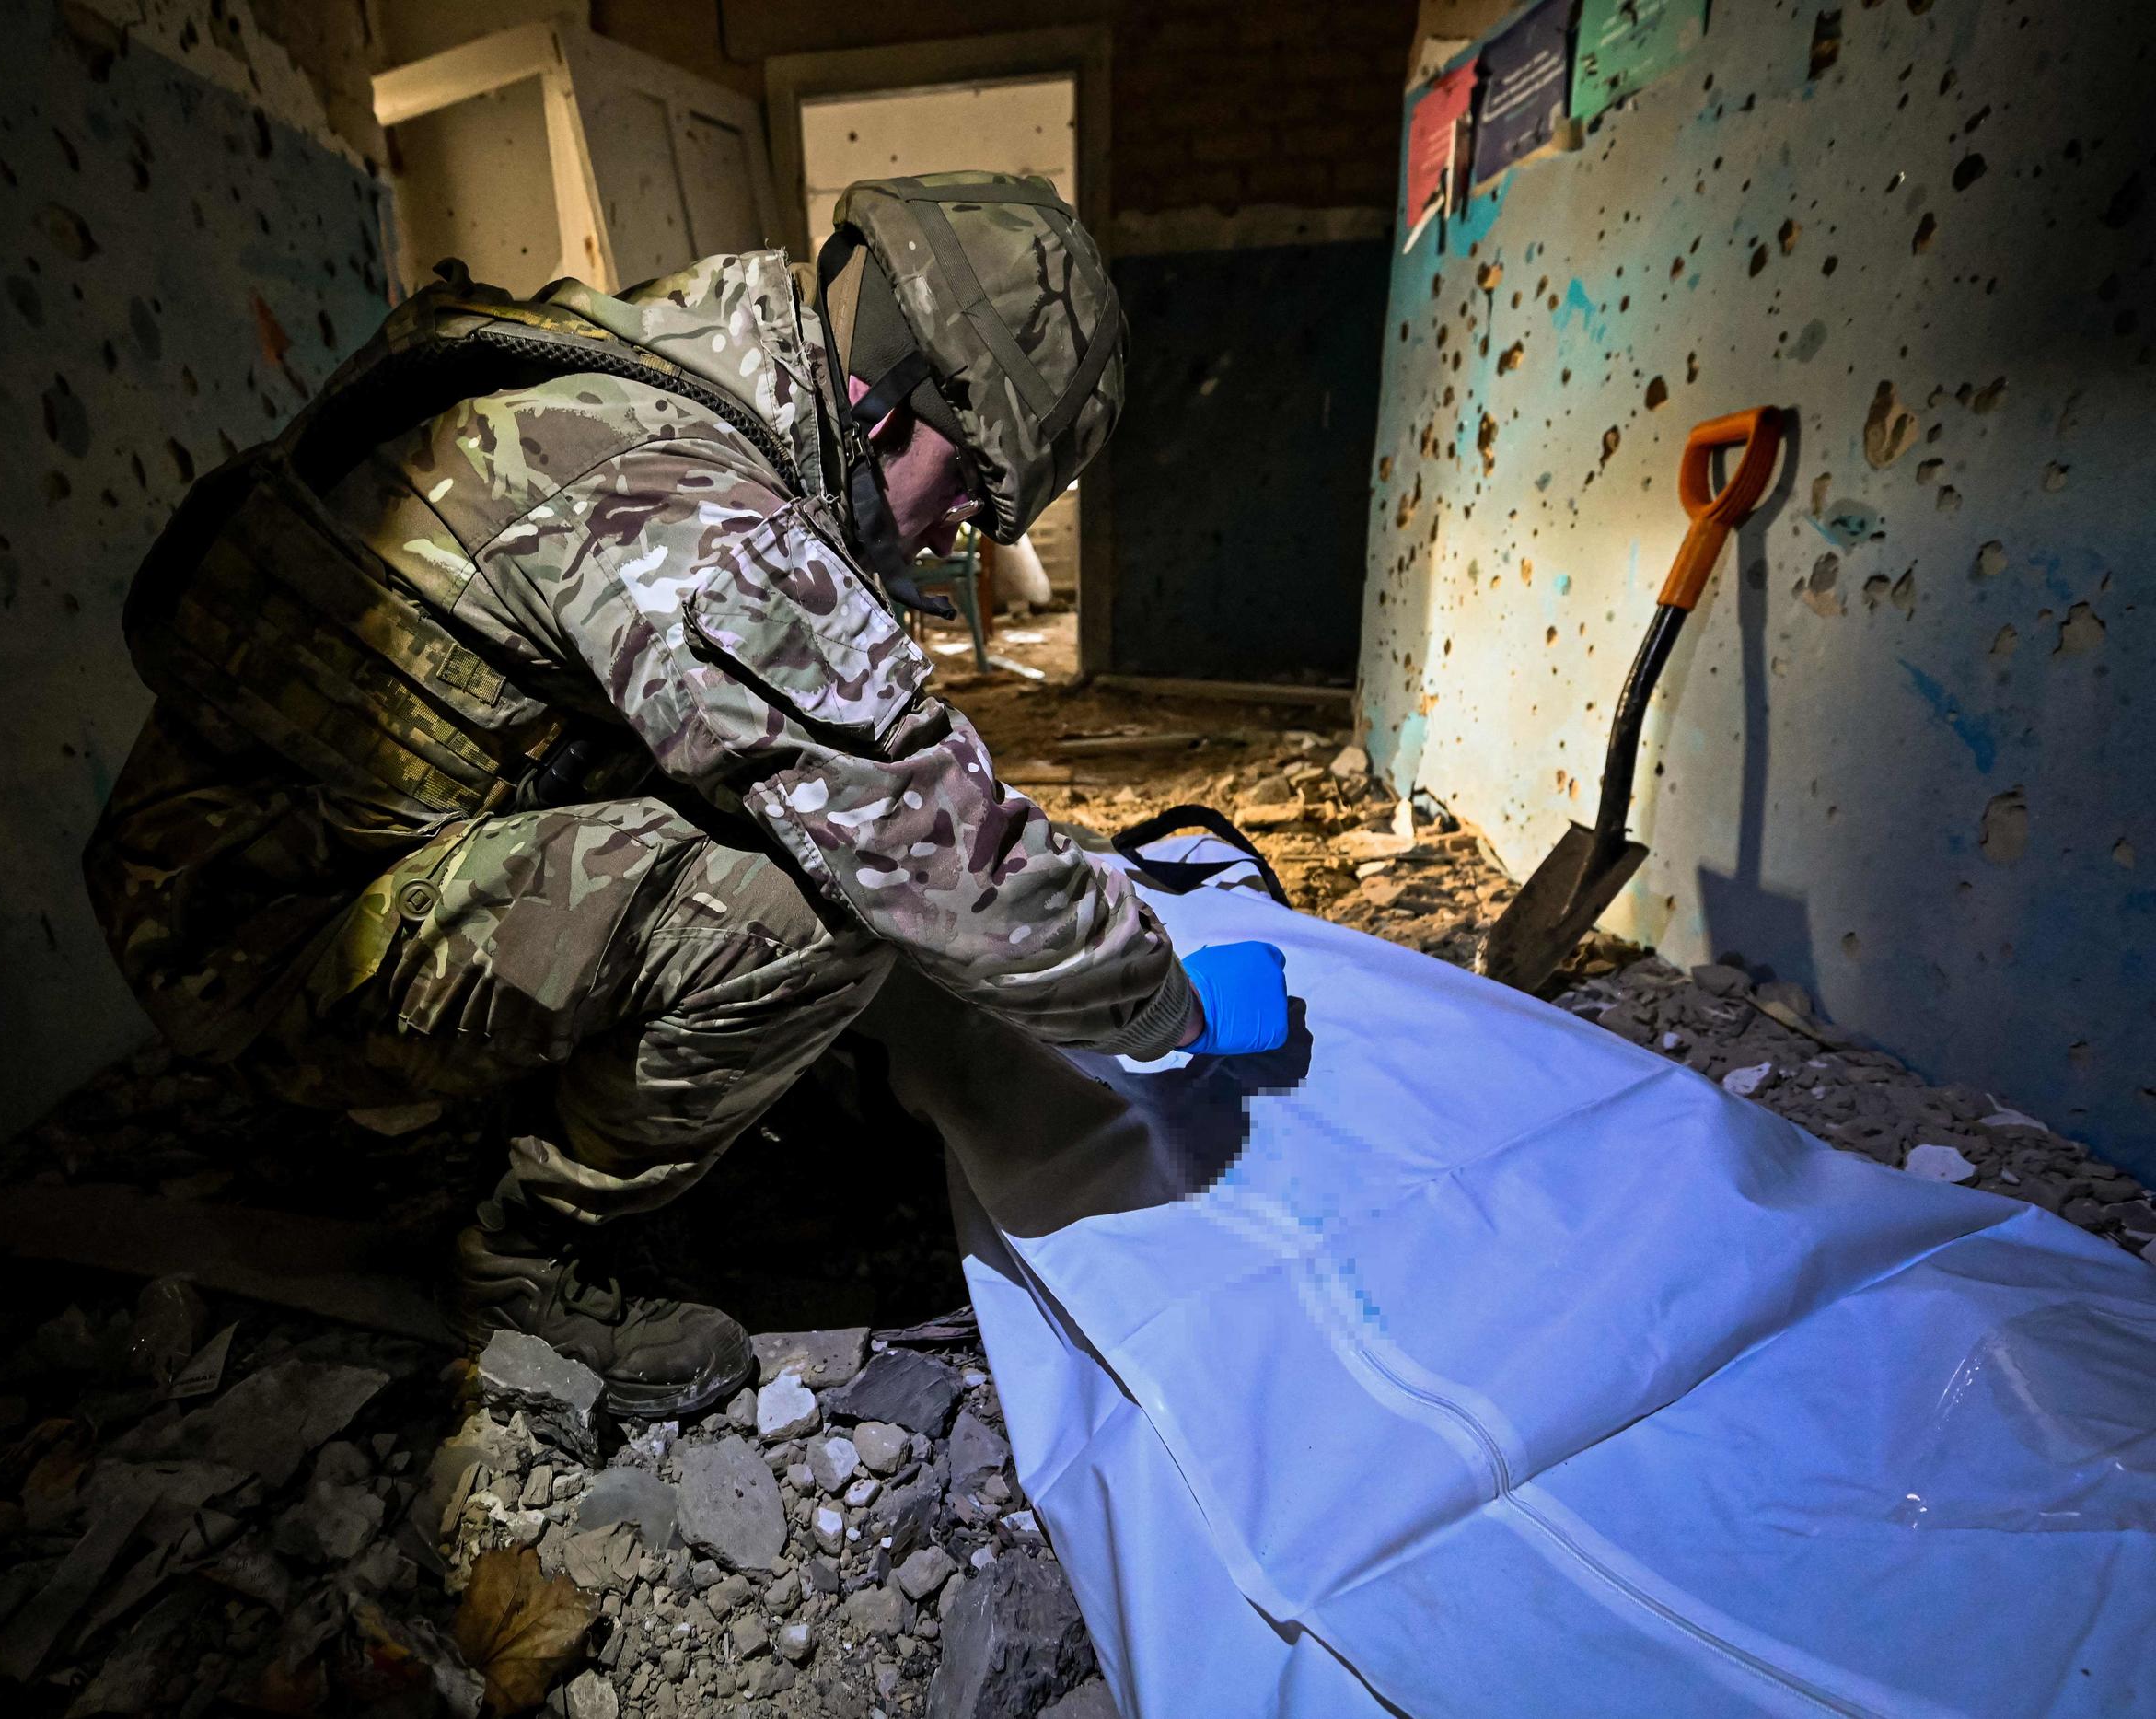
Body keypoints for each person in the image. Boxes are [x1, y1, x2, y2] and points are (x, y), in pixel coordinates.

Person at [83, 172, 1291, 1418]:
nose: (954, 543)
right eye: (976, 497)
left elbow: (870, 755)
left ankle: (689, 1083)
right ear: (897, 409)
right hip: (261, 941)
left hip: (308, 853)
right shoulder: (690, 508)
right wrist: (1167, 999)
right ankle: (526, 1265)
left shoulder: (709, 368)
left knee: (815, 838)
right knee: (817, 914)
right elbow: (931, 852)